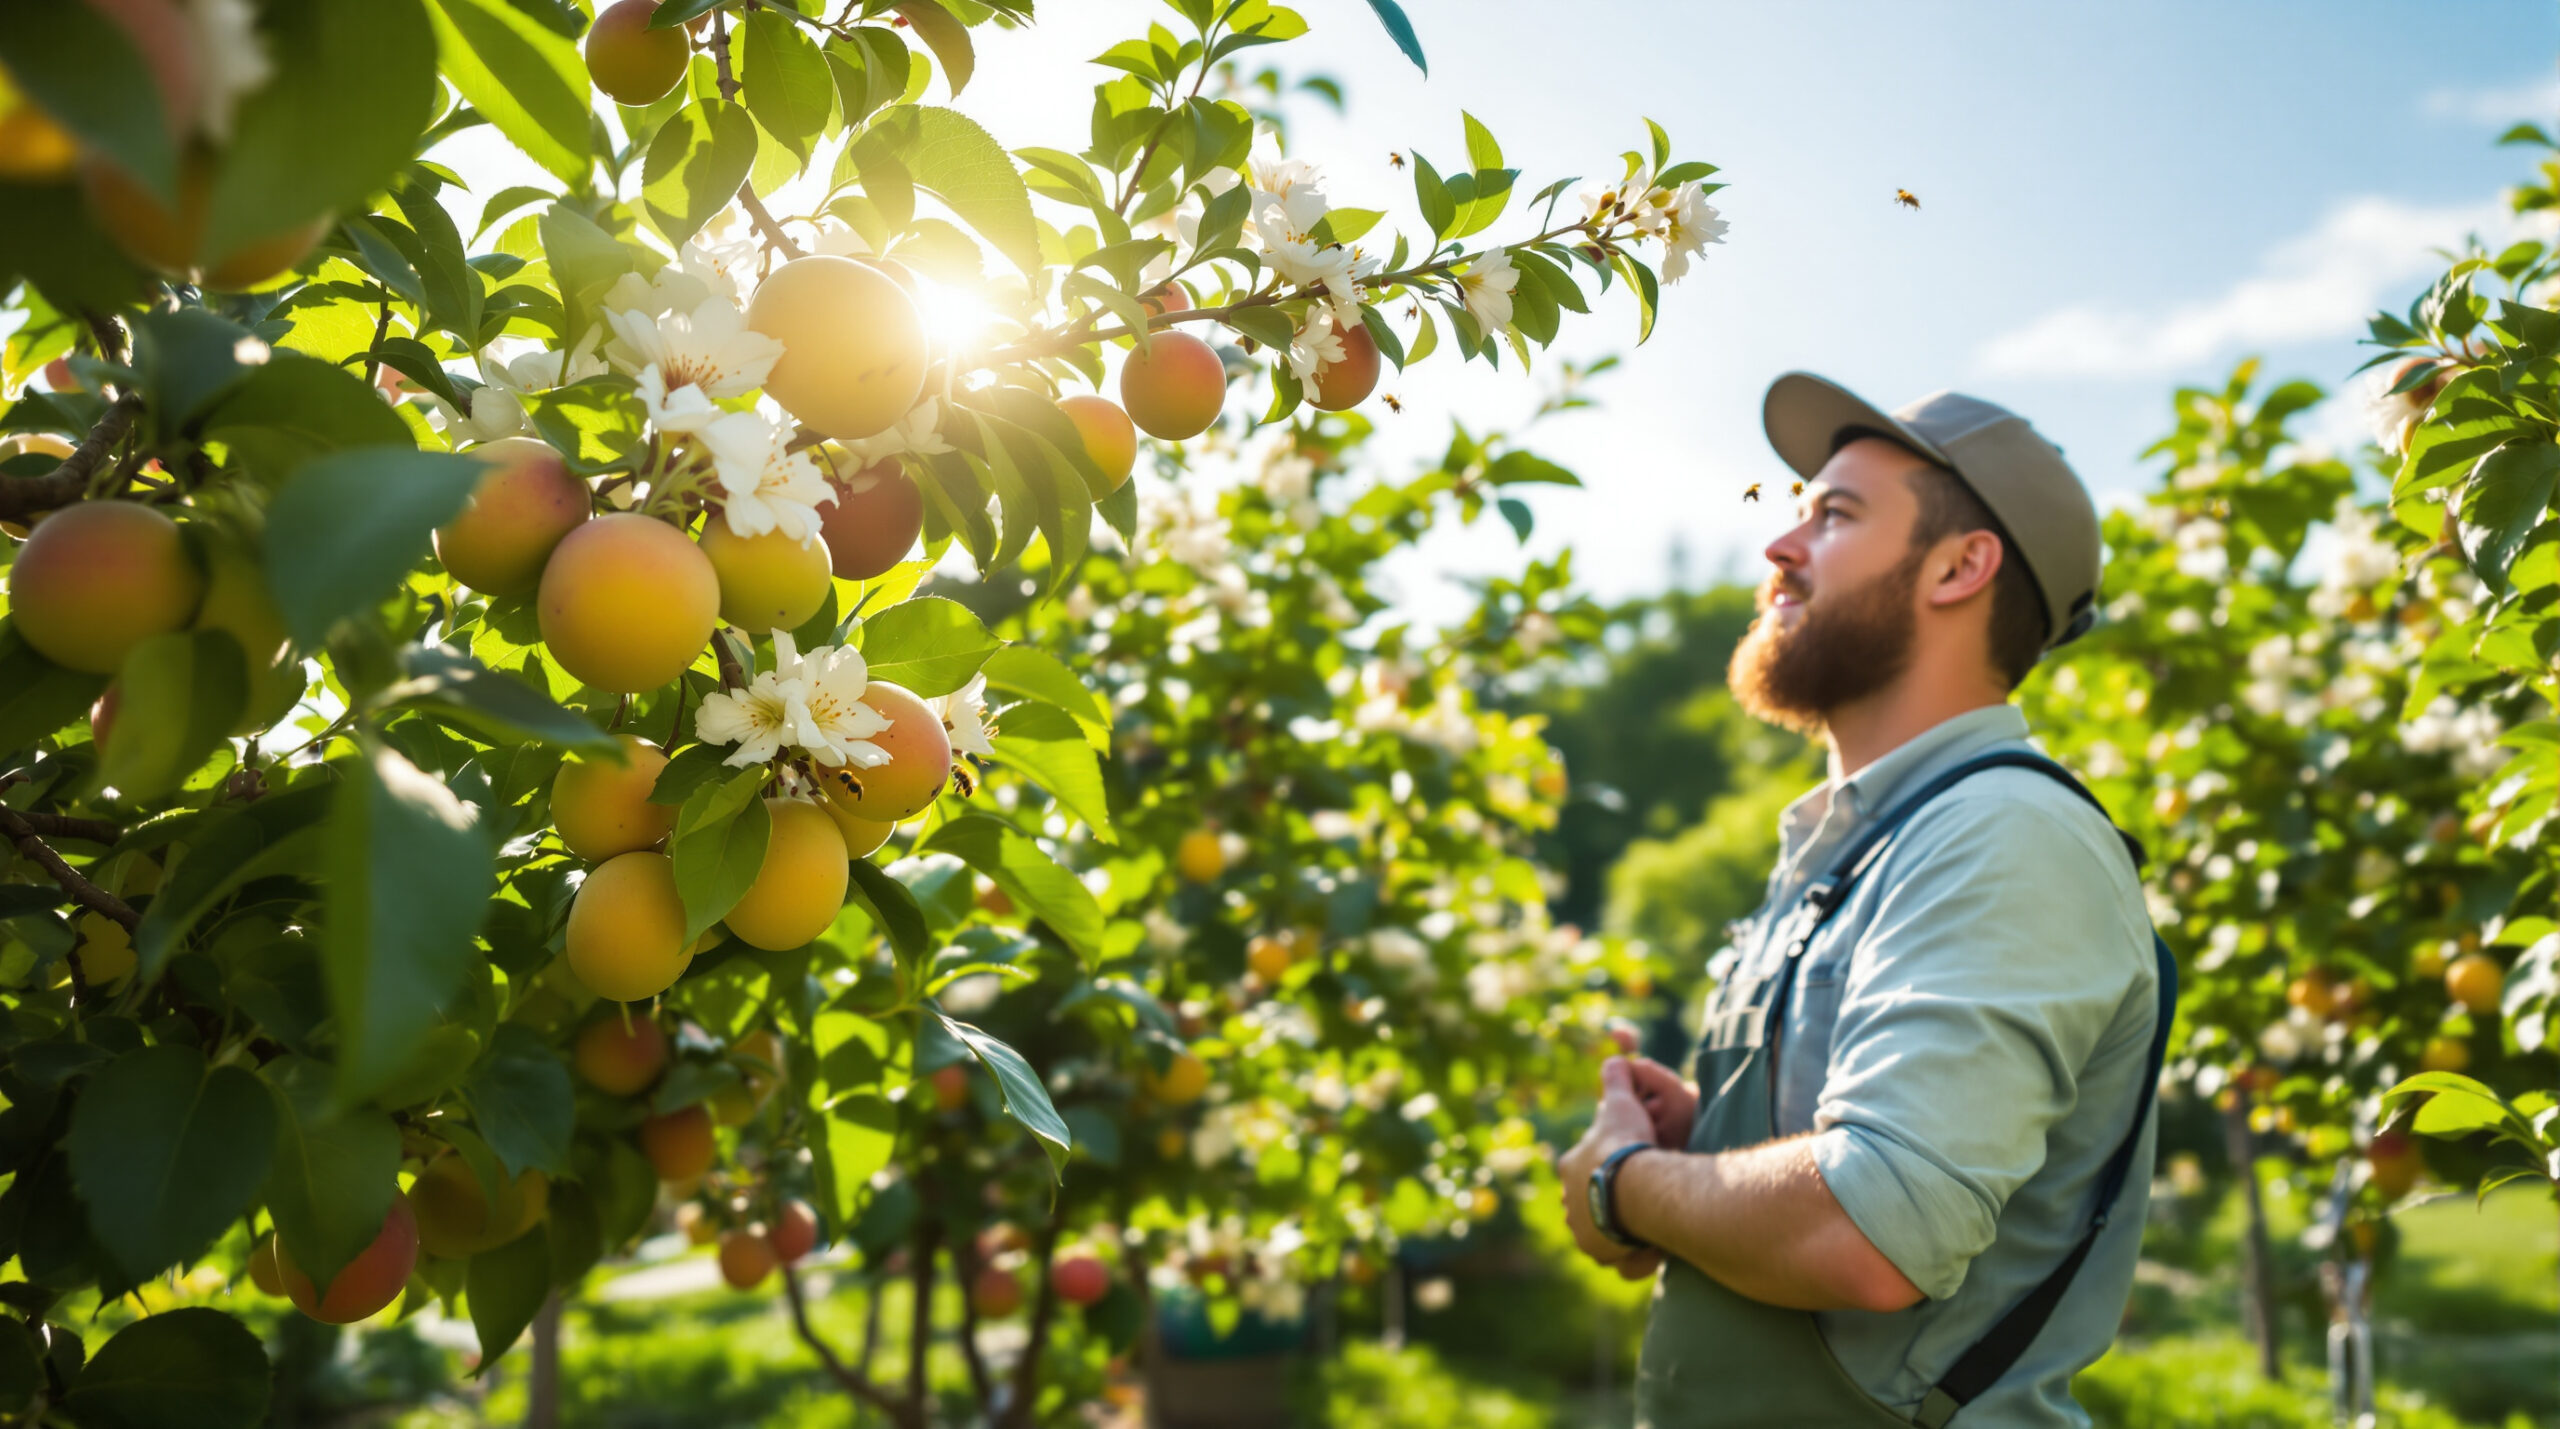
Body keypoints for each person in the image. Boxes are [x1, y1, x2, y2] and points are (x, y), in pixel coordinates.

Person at [1558, 374, 2169, 1428]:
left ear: (1959, 566)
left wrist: (1626, 1179)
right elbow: (1869, 1146)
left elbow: (1873, 1227)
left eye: (1832, 515)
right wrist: (1714, 1137)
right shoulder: (1867, 840)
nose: (1777, 549)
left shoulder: (1999, 837)